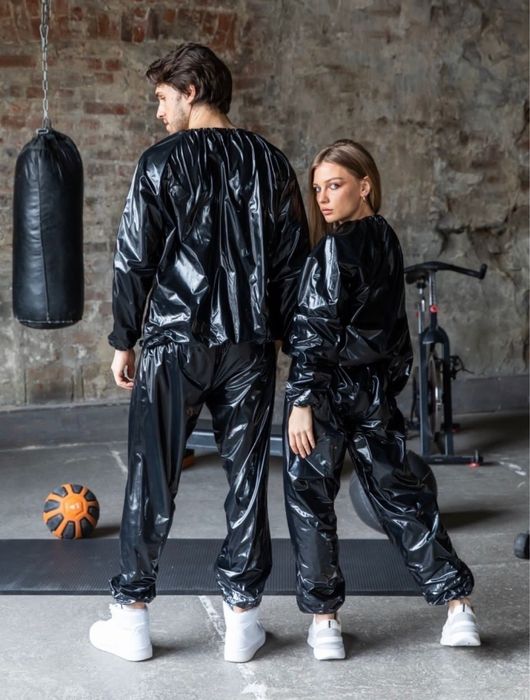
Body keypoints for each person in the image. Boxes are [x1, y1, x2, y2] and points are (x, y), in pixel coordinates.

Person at [89, 42, 309, 663]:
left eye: (163, 98)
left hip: (172, 341)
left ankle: (132, 619)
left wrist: (124, 339)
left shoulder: (159, 162)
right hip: (249, 346)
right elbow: (292, 263)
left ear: (191, 91)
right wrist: (288, 339)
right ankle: (243, 622)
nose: (159, 112)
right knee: (246, 480)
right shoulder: (270, 161)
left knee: (151, 476)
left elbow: (134, 257)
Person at [284, 139, 480, 660]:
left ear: (365, 185)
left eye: (335, 185)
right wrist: (386, 384)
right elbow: (393, 330)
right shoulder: (387, 240)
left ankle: (325, 622)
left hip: (324, 391)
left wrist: (301, 400)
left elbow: (315, 328)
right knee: (401, 495)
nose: (323, 198)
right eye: (318, 189)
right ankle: (457, 607)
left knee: (310, 499)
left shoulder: (332, 249)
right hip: (371, 389)